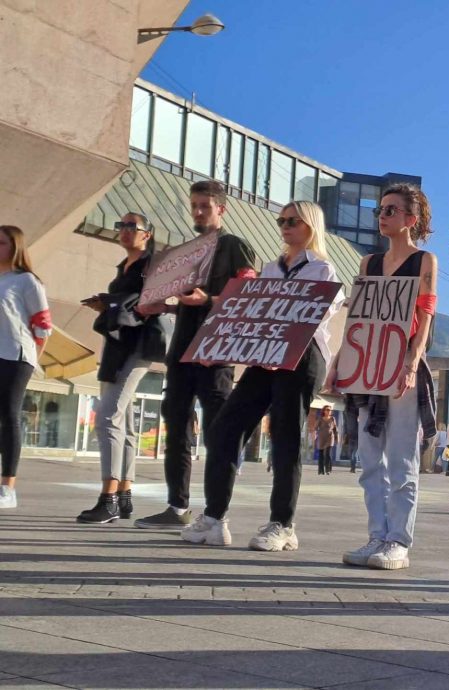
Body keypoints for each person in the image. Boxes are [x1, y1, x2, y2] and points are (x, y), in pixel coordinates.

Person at [181, 201, 342, 549]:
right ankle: (214, 518)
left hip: (301, 356)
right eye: (281, 220)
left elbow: (315, 314)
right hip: (264, 355)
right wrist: (220, 348)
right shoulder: (271, 267)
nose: (285, 226)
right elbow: (249, 315)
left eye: (293, 221)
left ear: (311, 225)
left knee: (284, 437)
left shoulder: (323, 270)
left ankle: (283, 524)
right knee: (225, 427)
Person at [135, 181, 256, 530]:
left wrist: (206, 300)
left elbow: (246, 295)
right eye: (194, 205)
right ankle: (177, 508)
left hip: (215, 353)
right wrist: (165, 306)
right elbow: (186, 302)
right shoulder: (185, 252)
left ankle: (216, 513)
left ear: (221, 209)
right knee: (176, 430)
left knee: (220, 431)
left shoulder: (234, 246)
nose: (198, 211)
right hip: (181, 353)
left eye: (205, 205)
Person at [331, 183, 437, 570]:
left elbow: (425, 315)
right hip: (367, 366)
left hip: (401, 365)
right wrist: (339, 361)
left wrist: (412, 360)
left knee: (402, 459)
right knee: (370, 458)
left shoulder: (424, 261)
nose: (383, 215)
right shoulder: (368, 264)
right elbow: (358, 318)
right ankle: (376, 534)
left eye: (392, 210)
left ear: (411, 219)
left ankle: (398, 541)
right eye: (381, 209)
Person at [77, 212, 161, 523]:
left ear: (146, 234)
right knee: (123, 423)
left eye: (131, 227)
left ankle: (108, 498)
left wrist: (110, 302)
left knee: (107, 416)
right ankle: (124, 495)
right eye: (121, 226)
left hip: (138, 345)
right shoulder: (122, 268)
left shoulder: (151, 266)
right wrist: (108, 301)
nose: (124, 231)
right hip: (117, 346)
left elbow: (146, 300)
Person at [0, 225, 51, 509]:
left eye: (2, 243)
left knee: (8, 415)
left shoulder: (27, 281)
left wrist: (33, 359)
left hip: (16, 355)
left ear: (15, 247)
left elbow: (43, 326)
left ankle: (7, 487)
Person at [316, 405, 338, 475]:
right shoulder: (320, 418)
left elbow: (335, 429)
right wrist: (315, 434)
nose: (329, 411)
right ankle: (320, 470)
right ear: (324, 411)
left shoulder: (332, 419)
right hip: (321, 438)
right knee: (321, 454)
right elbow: (316, 427)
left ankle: (328, 470)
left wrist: (337, 437)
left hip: (330, 437)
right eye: (327, 410)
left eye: (330, 410)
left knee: (328, 454)